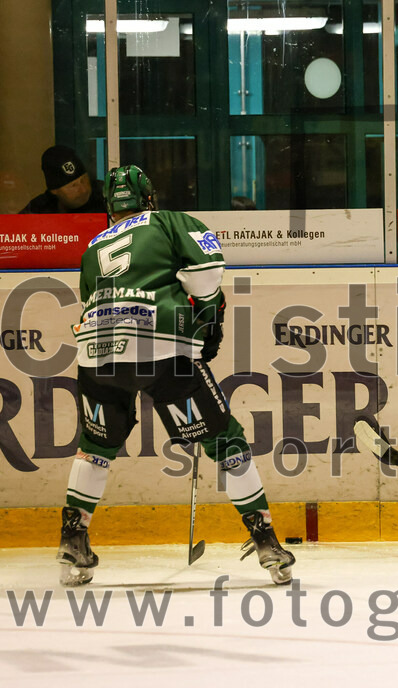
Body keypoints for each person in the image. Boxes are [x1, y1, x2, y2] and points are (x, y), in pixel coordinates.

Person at [57, 164, 295, 586]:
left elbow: (89, 300)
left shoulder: (92, 246)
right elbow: (205, 275)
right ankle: (266, 542)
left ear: (110, 207)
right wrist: (209, 320)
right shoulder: (172, 221)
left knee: (94, 446)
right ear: (149, 197)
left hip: (96, 351)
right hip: (159, 347)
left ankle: (73, 539)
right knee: (225, 439)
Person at [20, 145, 107, 214]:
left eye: (84, 180)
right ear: (54, 191)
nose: (83, 190)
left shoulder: (106, 195)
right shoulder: (39, 210)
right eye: (73, 186)